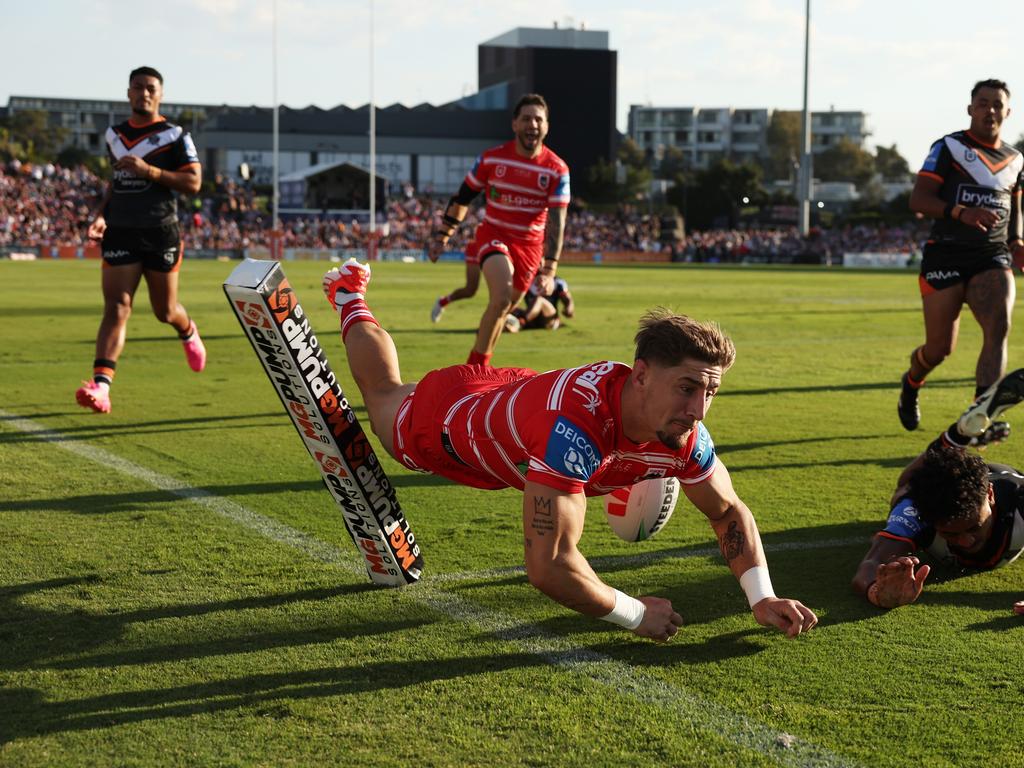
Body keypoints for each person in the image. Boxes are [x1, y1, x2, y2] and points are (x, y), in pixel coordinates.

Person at [322, 258, 818, 641]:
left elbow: (728, 510)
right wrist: (636, 614)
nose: (700, 409)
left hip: (517, 395)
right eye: (687, 388)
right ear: (641, 374)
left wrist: (761, 596)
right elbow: (550, 564)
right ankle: (349, 297)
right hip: (453, 424)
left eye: (710, 391)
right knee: (387, 395)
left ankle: (353, 301)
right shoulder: (576, 431)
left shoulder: (680, 432)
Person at [75, 66, 205, 414]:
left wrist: (150, 172)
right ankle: (101, 387)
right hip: (120, 230)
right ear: (128, 93)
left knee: (165, 311)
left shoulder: (175, 135)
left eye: (150, 88)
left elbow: (194, 183)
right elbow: (114, 183)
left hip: (160, 230)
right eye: (138, 87)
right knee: (117, 307)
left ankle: (188, 330)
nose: (144, 93)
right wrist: (101, 214)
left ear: (160, 94)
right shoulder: (113, 135)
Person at [898, 78, 1024, 432]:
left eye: (997, 104)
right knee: (939, 349)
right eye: (983, 103)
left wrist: (1017, 243)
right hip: (946, 255)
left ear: (1008, 112)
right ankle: (911, 383)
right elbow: (918, 200)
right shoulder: (949, 148)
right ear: (971, 109)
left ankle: (979, 416)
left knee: (998, 326)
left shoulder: (1016, 159)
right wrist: (960, 212)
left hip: (992, 255)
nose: (990, 110)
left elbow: (1016, 208)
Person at [855, 368, 1024, 612]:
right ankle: (958, 436)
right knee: (905, 489)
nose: (966, 541)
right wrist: (877, 592)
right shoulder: (916, 511)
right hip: (930, 489)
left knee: (911, 480)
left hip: (1003, 478)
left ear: (990, 495)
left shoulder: (1019, 501)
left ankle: (958, 436)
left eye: (974, 526)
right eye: (951, 534)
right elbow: (870, 565)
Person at [427, 94, 570, 366]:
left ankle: (478, 366)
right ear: (514, 124)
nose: (533, 124)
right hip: (495, 237)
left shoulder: (557, 170)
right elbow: (463, 197)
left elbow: (558, 221)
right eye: (526, 118)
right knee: (501, 296)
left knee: (504, 309)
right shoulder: (491, 160)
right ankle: (473, 373)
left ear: (547, 126)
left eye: (538, 119)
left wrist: (549, 270)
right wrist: (442, 236)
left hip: (530, 249)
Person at [504, 275, 575, 333]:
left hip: (550, 318)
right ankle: (505, 324)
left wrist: (569, 309)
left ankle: (520, 323)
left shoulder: (557, 281)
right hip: (532, 318)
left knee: (539, 300)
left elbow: (568, 300)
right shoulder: (527, 279)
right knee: (508, 307)